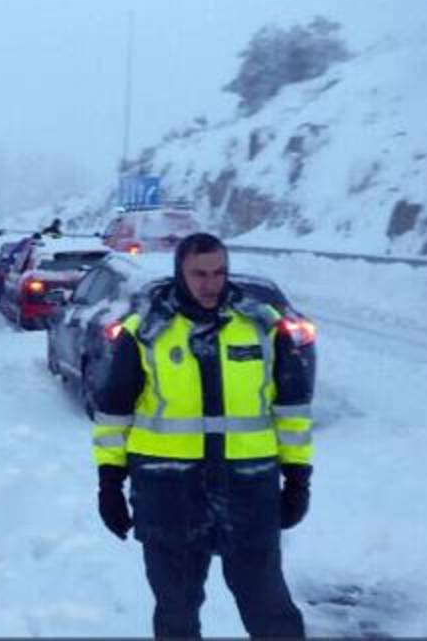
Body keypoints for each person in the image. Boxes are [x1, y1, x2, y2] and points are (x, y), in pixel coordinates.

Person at [91, 232, 315, 638]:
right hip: (168, 492)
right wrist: (109, 483)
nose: (211, 283)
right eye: (200, 274)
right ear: (180, 273)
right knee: (176, 613)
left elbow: (292, 410)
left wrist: (298, 478)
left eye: (219, 272)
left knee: (269, 608)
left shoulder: (262, 326)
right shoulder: (146, 332)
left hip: (249, 488)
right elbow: (114, 413)